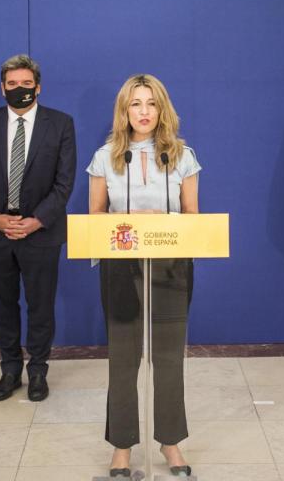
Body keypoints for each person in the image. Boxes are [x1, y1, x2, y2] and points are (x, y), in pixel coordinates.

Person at [87, 74, 200, 479]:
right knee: (123, 359)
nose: (144, 112)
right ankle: (121, 448)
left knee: (169, 358)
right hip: (122, 267)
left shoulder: (182, 156)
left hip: (170, 267)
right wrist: (128, 218)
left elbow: (192, 216)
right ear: (124, 110)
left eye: (151, 103)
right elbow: (95, 216)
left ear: (162, 108)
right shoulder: (106, 156)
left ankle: (170, 442)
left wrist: (160, 219)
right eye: (136, 104)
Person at [0, 54, 76, 402]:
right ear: (2, 89)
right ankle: (10, 369)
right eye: (12, 84)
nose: (20, 90)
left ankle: (38, 370)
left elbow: (64, 182)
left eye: (27, 84)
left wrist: (36, 220)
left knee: (40, 305)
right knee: (3, 306)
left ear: (38, 87)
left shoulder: (60, 124)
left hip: (40, 232)